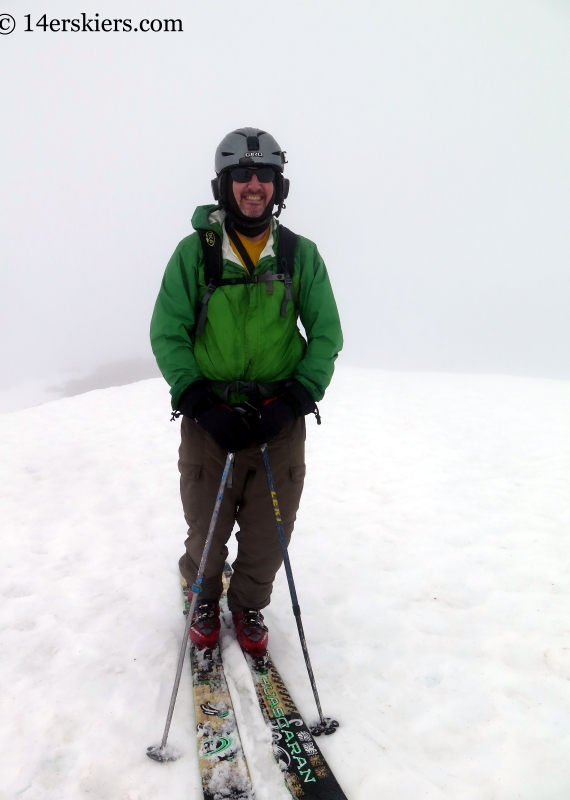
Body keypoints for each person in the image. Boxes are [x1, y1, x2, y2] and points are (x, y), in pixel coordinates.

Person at [150, 127, 343, 658]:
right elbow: (168, 331)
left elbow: (326, 333)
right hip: (210, 420)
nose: (253, 185)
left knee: (268, 534)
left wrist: (297, 398)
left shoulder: (299, 255)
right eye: (242, 175)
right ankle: (204, 595)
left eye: (264, 176)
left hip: (277, 421)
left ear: (278, 187)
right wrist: (197, 401)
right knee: (206, 530)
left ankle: (249, 602)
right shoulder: (196, 254)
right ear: (224, 185)